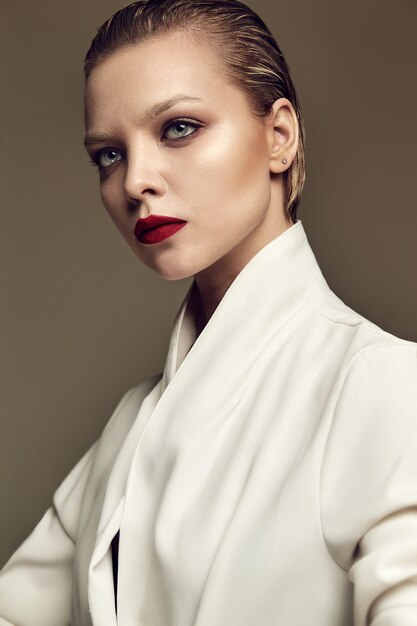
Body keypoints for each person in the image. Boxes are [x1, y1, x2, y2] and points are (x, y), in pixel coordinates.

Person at [0, 0, 416, 624]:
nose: (136, 179)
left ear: (279, 136)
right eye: (108, 154)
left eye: (178, 128)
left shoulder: (382, 387)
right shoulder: (128, 428)